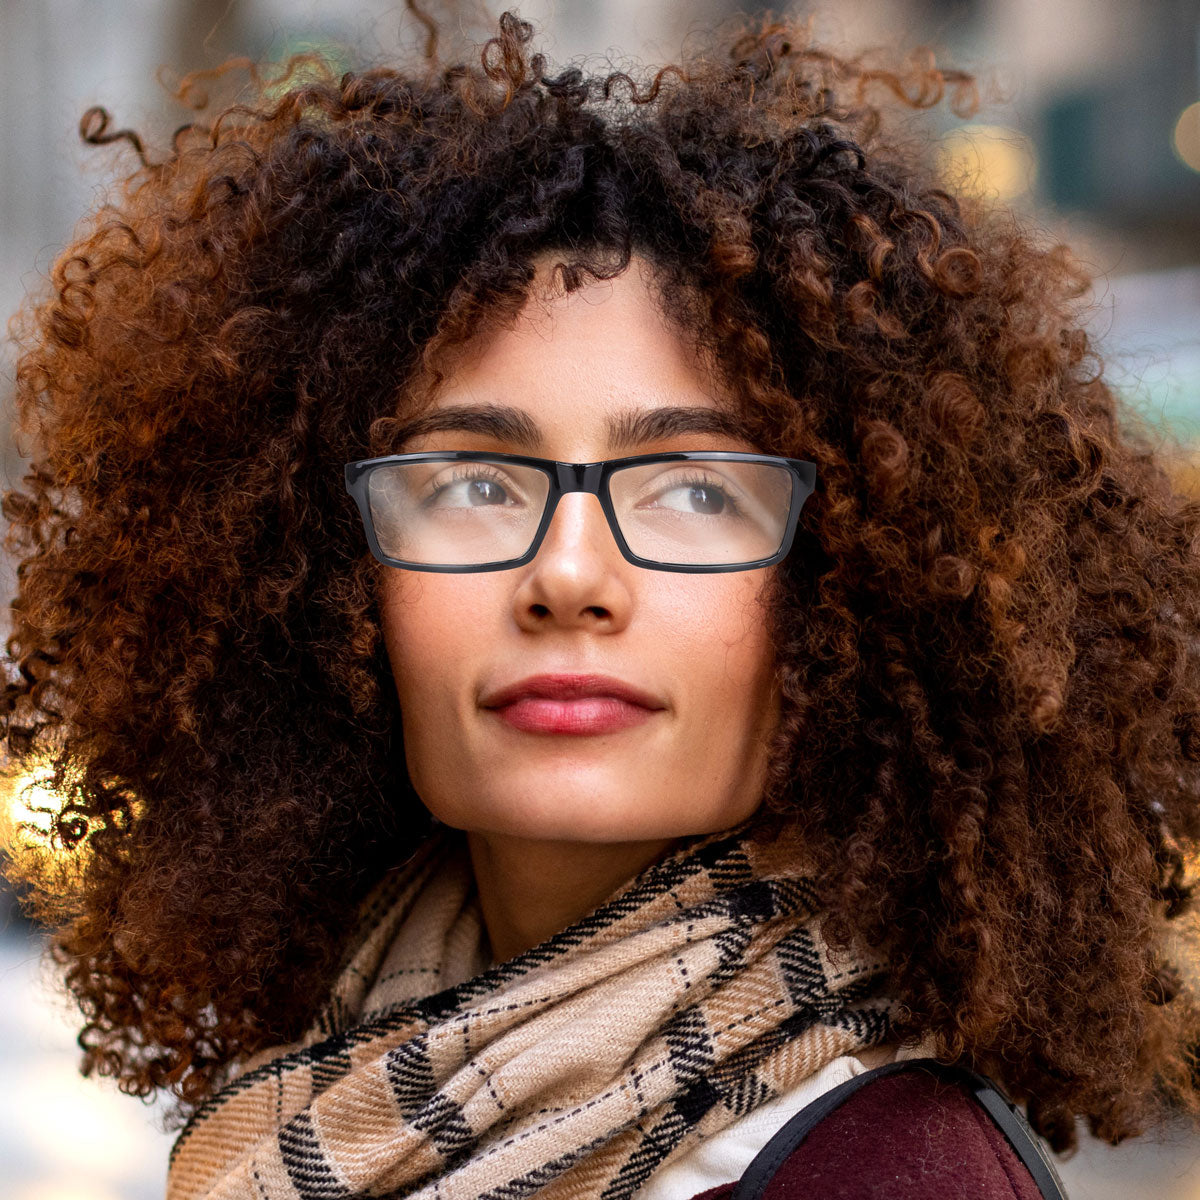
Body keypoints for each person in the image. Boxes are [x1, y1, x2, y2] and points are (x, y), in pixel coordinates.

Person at [3, 4, 1200, 1197]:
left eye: (695, 491)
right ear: (330, 577)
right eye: (473, 483)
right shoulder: (329, 1077)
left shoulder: (888, 1174)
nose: (569, 577)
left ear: (852, 586)